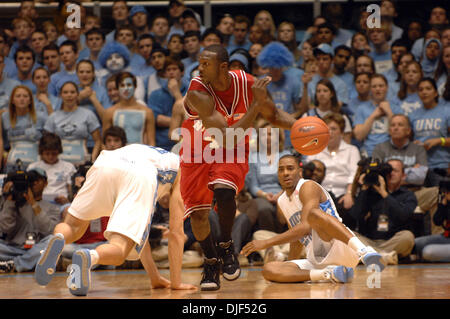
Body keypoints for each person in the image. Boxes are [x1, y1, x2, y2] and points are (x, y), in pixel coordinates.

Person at [180, 44, 296, 291]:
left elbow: (273, 115)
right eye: (199, 63)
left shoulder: (247, 83)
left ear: (223, 67)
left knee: (224, 189)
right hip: (198, 146)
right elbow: (227, 136)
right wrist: (255, 106)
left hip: (231, 147)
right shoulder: (196, 91)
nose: (199, 69)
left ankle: (226, 245)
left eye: (205, 64)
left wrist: (300, 128)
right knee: (199, 216)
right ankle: (211, 262)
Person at [34, 144, 196, 295]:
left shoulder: (155, 153)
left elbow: (140, 236)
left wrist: (155, 277)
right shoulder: (184, 171)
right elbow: (176, 233)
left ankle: (58, 238)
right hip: (139, 174)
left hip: (106, 163)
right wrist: (176, 283)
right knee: (120, 249)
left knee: (72, 227)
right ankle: (90, 257)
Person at [241, 154, 385, 284]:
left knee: (313, 215)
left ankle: (365, 252)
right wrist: (291, 267)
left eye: (290, 168)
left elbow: (304, 228)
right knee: (269, 269)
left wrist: (265, 243)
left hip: (342, 247)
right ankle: (328, 274)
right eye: (281, 170)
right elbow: (296, 238)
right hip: (318, 259)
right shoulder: (282, 201)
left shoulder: (307, 186)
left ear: (299, 171)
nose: (285, 173)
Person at [349, 159, 418, 263]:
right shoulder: (370, 193)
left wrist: (384, 193)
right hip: (370, 241)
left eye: (395, 170)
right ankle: (384, 256)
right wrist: (364, 189)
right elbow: (355, 215)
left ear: (403, 175)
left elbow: (403, 215)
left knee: (408, 236)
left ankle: (371, 255)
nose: (391, 173)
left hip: (393, 241)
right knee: (349, 235)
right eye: (388, 171)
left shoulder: (408, 195)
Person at [306, 113, 361, 229]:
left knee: (348, 208)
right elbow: (308, 173)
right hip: (320, 193)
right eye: (326, 129)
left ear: (341, 132)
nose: (329, 132)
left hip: (343, 194)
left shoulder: (352, 150)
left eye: (334, 129)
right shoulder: (315, 149)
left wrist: (349, 194)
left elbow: (354, 175)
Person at [0, 168, 61, 273]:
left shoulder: (53, 208)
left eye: (38, 180)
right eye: (32, 180)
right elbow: (5, 229)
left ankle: (15, 264)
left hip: (36, 249)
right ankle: (27, 262)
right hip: (12, 249)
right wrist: (9, 201)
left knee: (53, 240)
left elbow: (48, 230)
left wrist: (33, 203)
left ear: (46, 183)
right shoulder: (13, 202)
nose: (35, 183)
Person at [44, 81, 102, 166]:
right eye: (65, 92)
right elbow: (47, 143)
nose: (69, 95)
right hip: (58, 164)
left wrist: (92, 160)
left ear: (77, 94)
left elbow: (98, 141)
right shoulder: (53, 117)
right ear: (60, 95)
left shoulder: (88, 114)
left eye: (72, 92)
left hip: (82, 162)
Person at [409, 78, 449, 186]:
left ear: (435, 93)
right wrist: (414, 145)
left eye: (428, 89)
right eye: (421, 89)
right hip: (421, 167)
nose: (424, 92)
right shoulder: (413, 115)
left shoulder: (446, 111)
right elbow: (409, 141)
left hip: (442, 165)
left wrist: (439, 141)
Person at [1, 85, 46, 173]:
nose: (22, 99)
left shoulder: (40, 116)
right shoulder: (5, 117)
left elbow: (50, 141)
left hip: (36, 163)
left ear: (30, 100)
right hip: (12, 164)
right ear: (12, 100)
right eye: (18, 96)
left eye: (25, 96)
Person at [102, 71, 155, 146]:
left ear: (135, 86)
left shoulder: (147, 112)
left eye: (129, 85)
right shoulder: (109, 112)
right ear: (118, 88)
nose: (126, 89)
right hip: (117, 155)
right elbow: (104, 143)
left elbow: (151, 142)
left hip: (139, 155)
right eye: (122, 85)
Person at [353, 74, 397, 157]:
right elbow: (359, 136)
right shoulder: (362, 108)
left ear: (387, 87)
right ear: (370, 89)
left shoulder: (395, 108)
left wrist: (389, 112)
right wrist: (373, 115)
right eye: (374, 86)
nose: (378, 89)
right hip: (369, 152)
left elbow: (400, 133)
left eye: (381, 86)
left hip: (391, 152)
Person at [148, 57, 187, 151]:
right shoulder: (155, 94)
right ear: (165, 74)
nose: (171, 72)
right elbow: (157, 120)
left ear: (182, 72)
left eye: (174, 69)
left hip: (186, 144)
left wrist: (177, 93)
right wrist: (179, 121)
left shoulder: (190, 92)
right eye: (168, 70)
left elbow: (192, 119)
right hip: (162, 145)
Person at [27, 132, 76, 206]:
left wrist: (68, 200)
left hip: (62, 203)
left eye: (54, 153)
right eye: (47, 153)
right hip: (38, 202)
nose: (50, 157)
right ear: (41, 152)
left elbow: (71, 190)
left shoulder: (68, 166)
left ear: (59, 151)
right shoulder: (33, 167)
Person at [413, 180, 450, 262]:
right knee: (415, 243)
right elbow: (437, 221)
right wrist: (443, 205)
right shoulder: (446, 202)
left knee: (428, 252)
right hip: (446, 237)